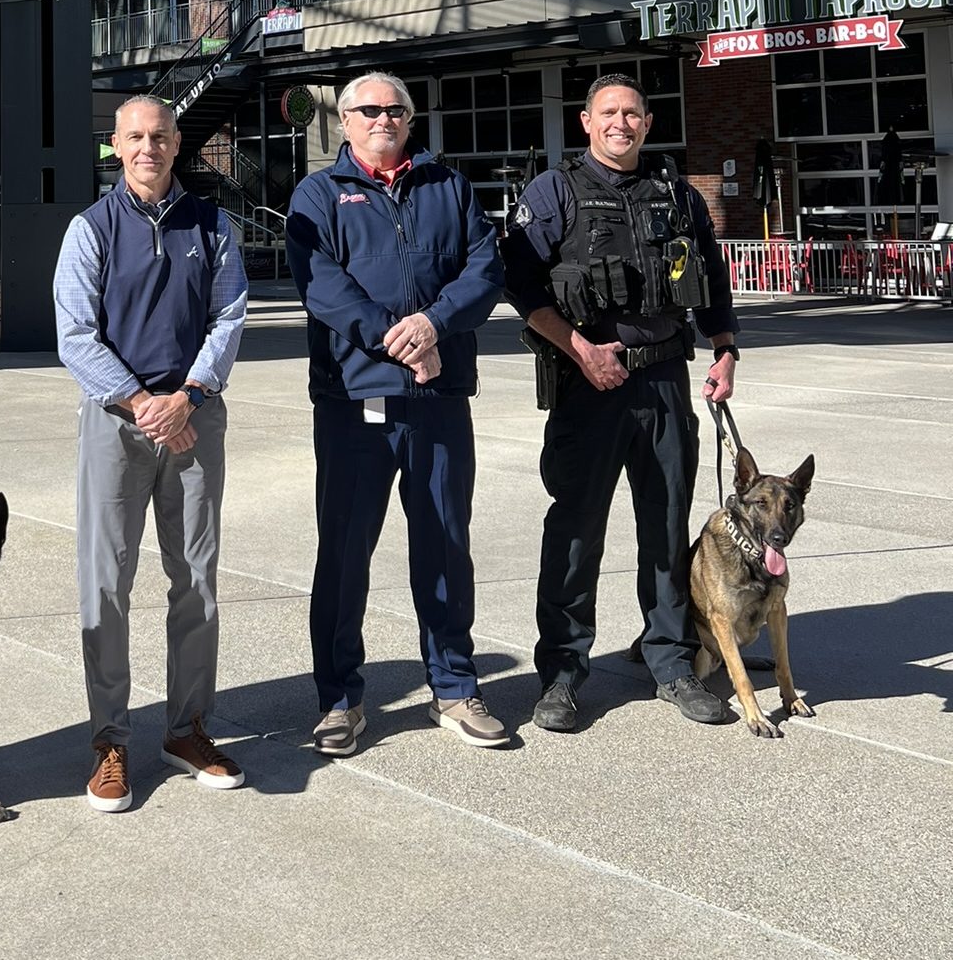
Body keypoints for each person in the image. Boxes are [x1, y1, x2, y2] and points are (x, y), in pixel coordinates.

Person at [501, 73, 738, 734]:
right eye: (609, 112)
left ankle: (671, 661)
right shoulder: (555, 192)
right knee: (577, 532)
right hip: (590, 383)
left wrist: (724, 349)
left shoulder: (677, 193)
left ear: (648, 122)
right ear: (585, 121)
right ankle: (563, 674)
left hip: (664, 380)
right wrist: (580, 347)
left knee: (665, 528)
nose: (621, 122)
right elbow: (519, 283)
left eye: (632, 112)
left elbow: (711, 276)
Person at [285, 73, 507, 758]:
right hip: (356, 404)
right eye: (370, 109)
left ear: (410, 120)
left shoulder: (448, 187)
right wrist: (398, 339)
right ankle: (341, 699)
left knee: (443, 546)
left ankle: (453, 684)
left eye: (396, 109)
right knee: (346, 551)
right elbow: (323, 286)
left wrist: (433, 326)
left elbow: (484, 269)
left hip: (438, 400)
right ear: (345, 120)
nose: (384, 117)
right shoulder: (319, 195)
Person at [52, 96, 249, 813]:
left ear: (175, 143)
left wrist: (187, 399)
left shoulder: (212, 224)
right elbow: (75, 333)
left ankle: (187, 727)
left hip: (194, 418)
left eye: (160, 135)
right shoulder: (91, 229)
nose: (148, 147)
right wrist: (143, 404)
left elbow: (229, 315)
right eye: (135, 136)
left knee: (195, 577)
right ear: (114, 145)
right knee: (106, 582)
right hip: (117, 422)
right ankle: (110, 738)